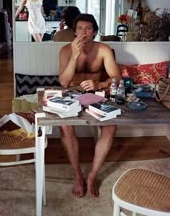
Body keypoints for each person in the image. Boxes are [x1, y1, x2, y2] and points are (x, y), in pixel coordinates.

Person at [58, 13, 121, 198]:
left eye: (87, 28)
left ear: (94, 31)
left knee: (110, 127)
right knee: (65, 127)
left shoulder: (103, 50)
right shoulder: (65, 51)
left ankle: (92, 176)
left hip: (96, 95)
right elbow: (63, 82)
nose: (83, 32)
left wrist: (100, 85)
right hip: (71, 94)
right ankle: (78, 176)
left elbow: (117, 78)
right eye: (79, 28)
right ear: (74, 31)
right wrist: (74, 55)